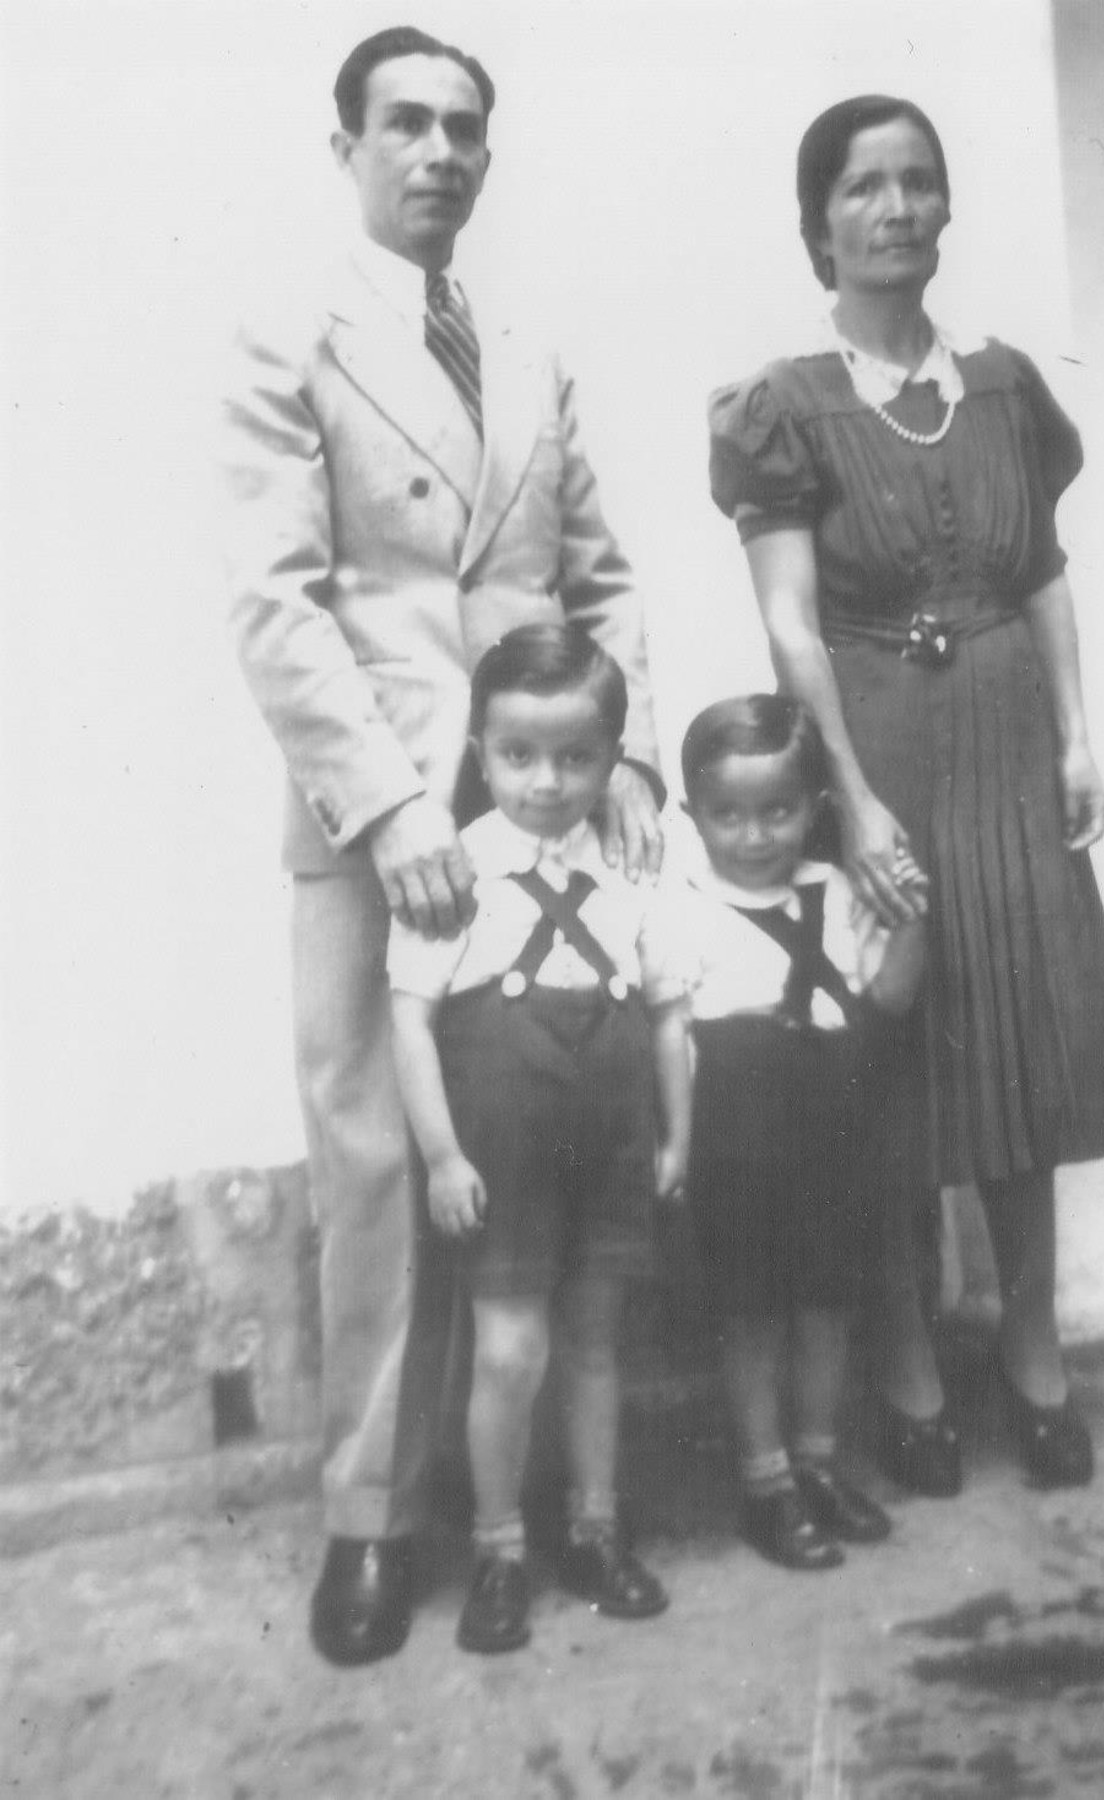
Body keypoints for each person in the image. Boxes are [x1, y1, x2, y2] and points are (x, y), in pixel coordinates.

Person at [221, 27, 663, 1666]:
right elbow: (273, 603)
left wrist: (631, 755)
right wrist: (396, 805)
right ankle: (370, 1520)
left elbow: (598, 574)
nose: (439, 153)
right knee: (380, 1158)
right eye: (404, 123)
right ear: (345, 145)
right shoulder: (289, 334)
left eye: (465, 128)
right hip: (381, 817)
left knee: (546, 1131)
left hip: (542, 806)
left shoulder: (526, 351)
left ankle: (533, 1505)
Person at [708, 97, 1104, 1498]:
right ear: (817, 224)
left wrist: (1076, 740)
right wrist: (853, 799)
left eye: (916, 183)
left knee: (1024, 1034)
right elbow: (788, 622)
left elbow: (1042, 573)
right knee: (887, 1066)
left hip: (1009, 740)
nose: (894, 208)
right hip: (875, 745)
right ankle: (904, 1365)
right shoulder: (786, 407)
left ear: (946, 208)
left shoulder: (1001, 386)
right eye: (862, 187)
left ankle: (1032, 1351)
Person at [387, 624, 689, 1654]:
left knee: (597, 1343)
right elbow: (409, 1023)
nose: (547, 782)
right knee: (511, 1351)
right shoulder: (454, 868)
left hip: (609, 1146)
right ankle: (499, 1547)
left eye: (575, 758)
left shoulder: (631, 863)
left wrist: (677, 1137)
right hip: (502, 1160)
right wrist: (442, 1157)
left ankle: (595, 1528)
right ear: (480, 753)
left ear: (613, 760)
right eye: (518, 756)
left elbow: (669, 1012)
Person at [675, 695, 924, 1568]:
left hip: (833, 1126)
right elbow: (668, 1036)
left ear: (815, 806)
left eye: (777, 811)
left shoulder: (836, 890)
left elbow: (889, 999)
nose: (754, 836)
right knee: (750, 1313)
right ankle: (765, 1483)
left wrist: (912, 918)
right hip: (736, 1136)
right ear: (693, 814)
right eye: (728, 815)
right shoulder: (684, 906)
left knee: (826, 1302)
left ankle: (816, 1465)